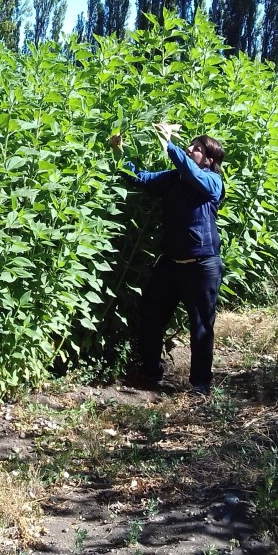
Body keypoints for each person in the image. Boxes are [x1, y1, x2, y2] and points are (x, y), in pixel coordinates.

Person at [108, 123, 225, 395]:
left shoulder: (212, 182)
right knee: (151, 315)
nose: (190, 148)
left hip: (202, 265)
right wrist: (119, 151)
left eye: (197, 148)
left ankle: (200, 385)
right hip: (171, 263)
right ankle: (151, 372)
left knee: (201, 328)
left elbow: (192, 173)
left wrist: (168, 144)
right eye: (190, 145)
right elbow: (141, 178)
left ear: (209, 160)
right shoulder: (174, 178)